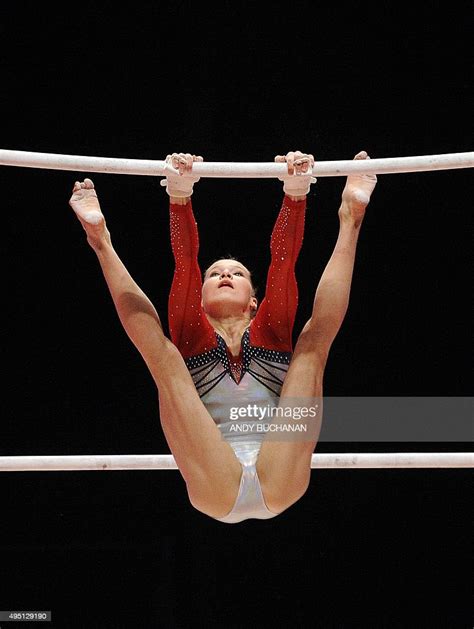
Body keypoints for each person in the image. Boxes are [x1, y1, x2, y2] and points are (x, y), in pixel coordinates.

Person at [69, 150, 377, 523]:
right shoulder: (190, 332)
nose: (225, 275)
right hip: (215, 483)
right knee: (163, 357)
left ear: (253, 300)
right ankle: (100, 239)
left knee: (312, 345)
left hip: (280, 470)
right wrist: (179, 194)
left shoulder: (272, 329)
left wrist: (296, 193)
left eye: (237, 273)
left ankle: (351, 218)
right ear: (199, 298)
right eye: (215, 274)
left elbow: (284, 264)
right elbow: (186, 265)